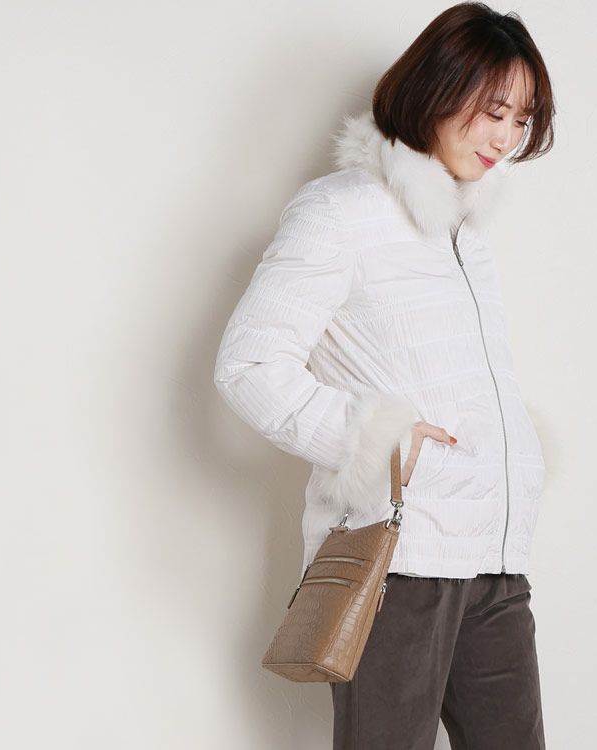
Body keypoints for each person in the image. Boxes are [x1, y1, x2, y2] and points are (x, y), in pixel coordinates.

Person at [213, 3, 555, 747]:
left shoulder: (466, 237)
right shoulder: (341, 212)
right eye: (494, 111)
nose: (506, 138)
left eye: (522, 120)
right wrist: (377, 440)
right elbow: (248, 365)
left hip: (495, 564)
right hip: (398, 562)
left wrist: (515, 454)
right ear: (437, 88)